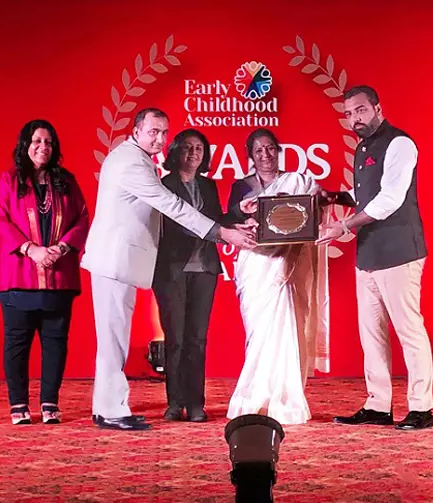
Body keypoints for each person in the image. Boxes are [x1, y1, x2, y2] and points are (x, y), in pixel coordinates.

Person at [80, 108, 257, 431]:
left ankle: (108, 407)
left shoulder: (137, 158)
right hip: (113, 260)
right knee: (112, 341)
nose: (160, 139)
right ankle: (110, 411)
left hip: (119, 261)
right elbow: (172, 206)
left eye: (164, 132)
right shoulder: (131, 162)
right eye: (153, 132)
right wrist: (222, 233)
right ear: (136, 131)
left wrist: (228, 222)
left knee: (114, 340)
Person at [317, 85, 433, 430]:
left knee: (409, 331)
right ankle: (378, 405)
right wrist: (335, 197)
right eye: (349, 114)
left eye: (360, 110)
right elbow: (366, 195)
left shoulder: (400, 143)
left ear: (377, 109)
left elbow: (390, 199)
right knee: (372, 334)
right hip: (368, 253)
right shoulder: (363, 148)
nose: (354, 119)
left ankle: (422, 408)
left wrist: (344, 225)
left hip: (399, 251)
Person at [226, 128, 330, 426]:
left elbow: (313, 213)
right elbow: (230, 219)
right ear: (251, 156)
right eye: (259, 150)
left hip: (289, 263)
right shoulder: (241, 186)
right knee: (260, 332)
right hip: (257, 265)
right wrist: (243, 213)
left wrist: (320, 200)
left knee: (289, 327)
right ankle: (253, 395)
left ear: (279, 150)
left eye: (270, 148)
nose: (266, 155)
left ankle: (284, 398)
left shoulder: (298, 182)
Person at [0, 119, 90, 425]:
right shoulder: (9, 180)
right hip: (18, 276)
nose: (43, 147)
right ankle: (18, 403)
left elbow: (82, 218)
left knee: (55, 343)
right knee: (17, 344)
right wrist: (31, 249)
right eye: (36, 141)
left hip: (58, 277)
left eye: (48, 142)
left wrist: (60, 248)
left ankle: (49, 402)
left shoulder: (67, 181)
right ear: (25, 145)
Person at [153, 128, 243, 423]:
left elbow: (217, 222)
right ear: (176, 151)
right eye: (187, 147)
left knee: (197, 339)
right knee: (175, 338)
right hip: (172, 269)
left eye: (199, 149)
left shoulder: (208, 186)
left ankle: (195, 404)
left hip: (205, 268)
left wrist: (239, 212)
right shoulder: (163, 184)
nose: (193, 153)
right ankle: (174, 403)